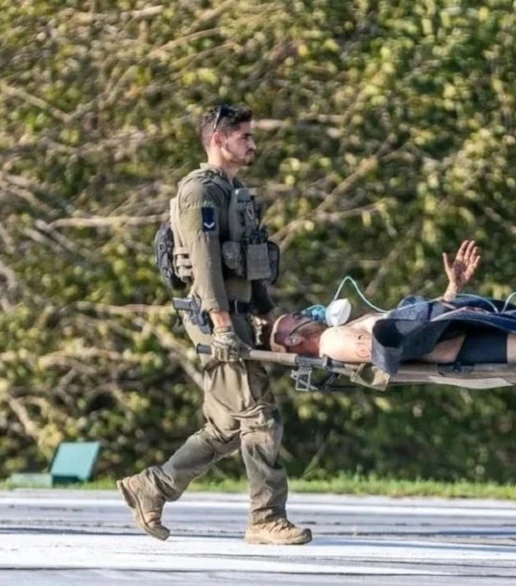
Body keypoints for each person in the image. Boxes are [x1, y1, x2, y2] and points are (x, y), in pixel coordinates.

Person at [118, 104, 311, 545]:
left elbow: (251, 264)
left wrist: (267, 316)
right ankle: (266, 518)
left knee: (225, 429)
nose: (253, 145)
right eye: (245, 137)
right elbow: (204, 266)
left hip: (237, 316)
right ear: (219, 140)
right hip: (214, 318)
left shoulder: (235, 193)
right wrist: (223, 325)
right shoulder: (200, 193)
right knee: (260, 418)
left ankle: (152, 486)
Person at [268, 240, 516, 370]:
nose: (305, 314)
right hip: (464, 347)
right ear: (291, 341)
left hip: (455, 331)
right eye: (295, 320)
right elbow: (384, 348)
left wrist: (450, 291)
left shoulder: (337, 331)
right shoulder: (332, 340)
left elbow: (410, 330)